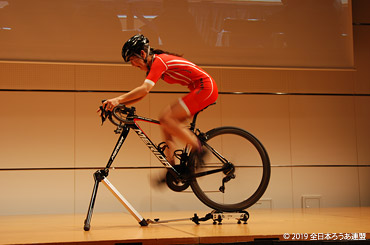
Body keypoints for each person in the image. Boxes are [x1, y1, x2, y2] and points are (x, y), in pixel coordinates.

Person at [102, 34, 218, 165]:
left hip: (206, 88)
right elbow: (142, 95)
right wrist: (117, 105)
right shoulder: (155, 65)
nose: (132, 65)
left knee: (165, 117)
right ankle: (172, 166)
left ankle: (199, 149)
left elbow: (144, 89)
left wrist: (117, 100)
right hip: (200, 89)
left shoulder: (159, 61)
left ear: (142, 53)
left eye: (132, 59)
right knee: (166, 124)